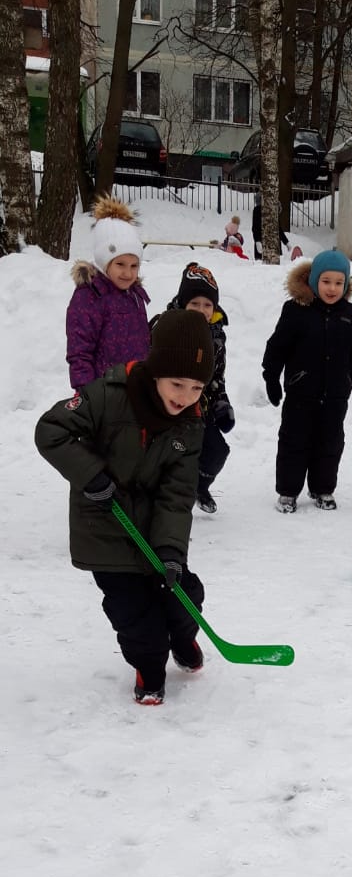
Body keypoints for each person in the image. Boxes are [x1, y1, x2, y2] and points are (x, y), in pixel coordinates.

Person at [35, 309, 215, 705]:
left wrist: (170, 551)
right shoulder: (107, 395)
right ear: (155, 370)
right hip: (107, 530)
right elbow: (51, 430)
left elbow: (177, 494)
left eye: (197, 389)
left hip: (151, 530)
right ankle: (150, 668)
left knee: (185, 593)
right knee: (137, 618)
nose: (185, 397)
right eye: (177, 384)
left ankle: (183, 638)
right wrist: (92, 476)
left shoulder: (190, 423)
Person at [262, 248, 352, 513]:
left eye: (339, 282)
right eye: (326, 281)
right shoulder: (297, 311)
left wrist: (351, 379)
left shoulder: (351, 316)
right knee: (294, 442)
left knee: (330, 443)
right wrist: (271, 377)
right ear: (314, 280)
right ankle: (288, 491)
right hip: (300, 392)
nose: (332, 288)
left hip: (335, 396)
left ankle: (322, 488)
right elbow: (277, 347)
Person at [158, 262, 234, 515]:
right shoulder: (165, 328)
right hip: (168, 407)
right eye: (194, 304)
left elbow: (218, 376)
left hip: (201, 407)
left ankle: (199, 487)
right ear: (182, 304)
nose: (201, 310)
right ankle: (163, 499)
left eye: (207, 305)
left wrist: (222, 402)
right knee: (173, 455)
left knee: (217, 452)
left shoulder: (216, 336)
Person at [66, 196, 150, 390]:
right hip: (103, 395)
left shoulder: (135, 295)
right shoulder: (89, 296)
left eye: (134, 265)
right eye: (120, 264)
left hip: (134, 390)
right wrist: (87, 397)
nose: (128, 273)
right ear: (104, 261)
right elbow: (80, 353)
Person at [252, 196, 290, 261]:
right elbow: (255, 228)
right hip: (262, 244)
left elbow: (279, 229)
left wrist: (286, 242)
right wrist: (257, 241)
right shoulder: (257, 210)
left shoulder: (274, 211)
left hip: (275, 246)